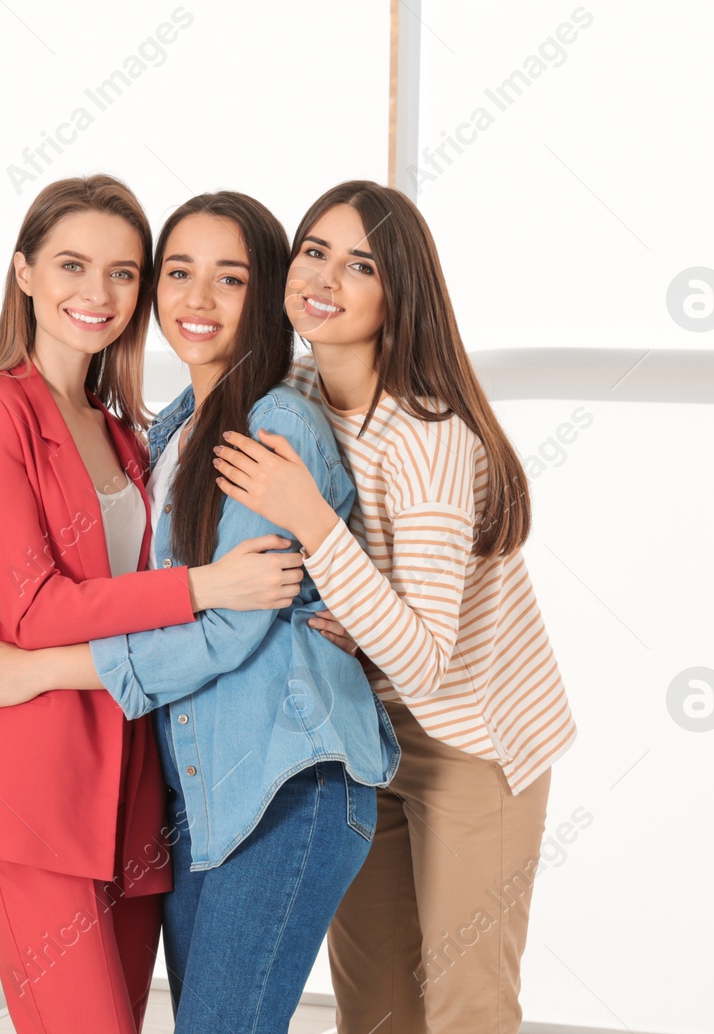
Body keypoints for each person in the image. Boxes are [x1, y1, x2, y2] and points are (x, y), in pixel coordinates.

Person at [0, 191, 399, 1033]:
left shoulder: (273, 423)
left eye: (228, 279)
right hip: (196, 788)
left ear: (264, 293)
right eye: (178, 273)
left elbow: (232, 624)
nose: (196, 300)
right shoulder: (169, 431)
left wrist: (43, 668)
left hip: (284, 781)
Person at [214, 180, 577, 1033]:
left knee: (465, 1008)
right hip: (361, 727)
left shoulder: (428, 437)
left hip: (473, 737)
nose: (325, 277)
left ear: (397, 291)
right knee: (374, 1011)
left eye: (360, 264)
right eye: (314, 252)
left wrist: (310, 517)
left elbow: (425, 659)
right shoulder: (294, 393)